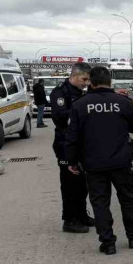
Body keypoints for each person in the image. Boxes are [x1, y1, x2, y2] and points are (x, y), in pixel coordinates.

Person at [65, 67, 133, 255]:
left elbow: (72, 137)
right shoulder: (123, 102)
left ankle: (107, 243)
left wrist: (72, 161)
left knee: (100, 203)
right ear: (110, 82)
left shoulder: (80, 105)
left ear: (91, 83)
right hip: (121, 162)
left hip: (94, 163)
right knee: (128, 199)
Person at [50, 62, 93, 233]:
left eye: (88, 80)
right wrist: (81, 113)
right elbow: (59, 118)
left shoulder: (81, 93)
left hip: (81, 144)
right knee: (69, 185)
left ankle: (81, 214)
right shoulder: (60, 92)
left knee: (82, 184)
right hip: (65, 145)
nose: (86, 82)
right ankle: (69, 220)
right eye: (84, 79)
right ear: (74, 76)